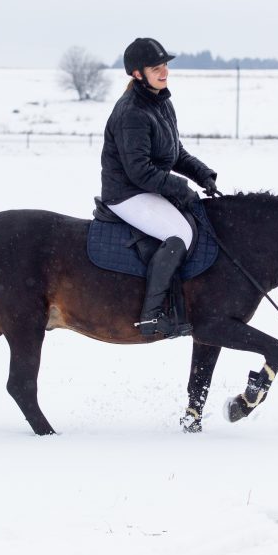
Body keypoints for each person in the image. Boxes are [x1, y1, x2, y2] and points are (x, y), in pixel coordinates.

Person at [101, 37, 219, 338]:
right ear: (137, 73)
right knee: (179, 233)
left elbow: (174, 153)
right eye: (156, 68)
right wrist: (181, 188)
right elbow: (139, 171)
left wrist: (202, 174)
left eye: (165, 65)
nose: (164, 71)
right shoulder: (132, 112)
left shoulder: (161, 102)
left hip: (149, 188)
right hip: (127, 193)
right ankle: (150, 316)